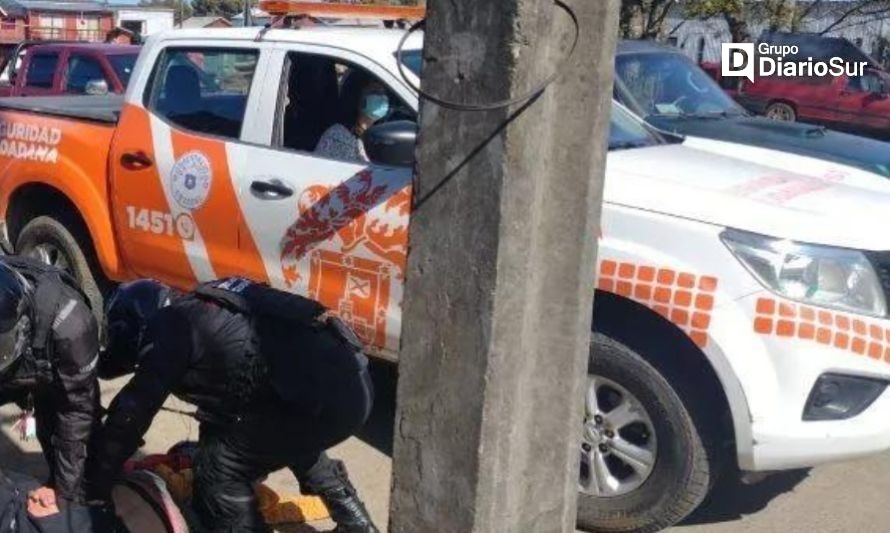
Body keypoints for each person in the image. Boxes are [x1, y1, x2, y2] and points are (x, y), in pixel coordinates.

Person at [90, 277, 378, 533]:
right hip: (351, 383)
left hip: (322, 395)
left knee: (219, 470)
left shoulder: (170, 326)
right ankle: (357, 523)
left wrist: (98, 481)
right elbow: (226, 402)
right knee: (287, 437)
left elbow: (132, 412)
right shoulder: (210, 305)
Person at [0, 257, 102, 521]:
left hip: (56, 369)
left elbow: (76, 413)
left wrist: (65, 498)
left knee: (74, 452)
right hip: (15, 370)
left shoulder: (72, 327)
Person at [314, 71, 391, 164]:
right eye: (375, 92)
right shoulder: (338, 136)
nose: (382, 98)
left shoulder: (382, 132)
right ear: (357, 95)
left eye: (383, 93)